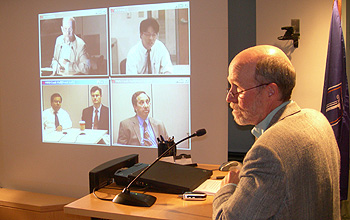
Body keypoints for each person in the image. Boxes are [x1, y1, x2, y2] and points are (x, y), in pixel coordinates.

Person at [213, 45, 340, 219]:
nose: (229, 97)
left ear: (270, 91)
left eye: (237, 88)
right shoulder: (318, 120)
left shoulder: (268, 151)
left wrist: (228, 188)